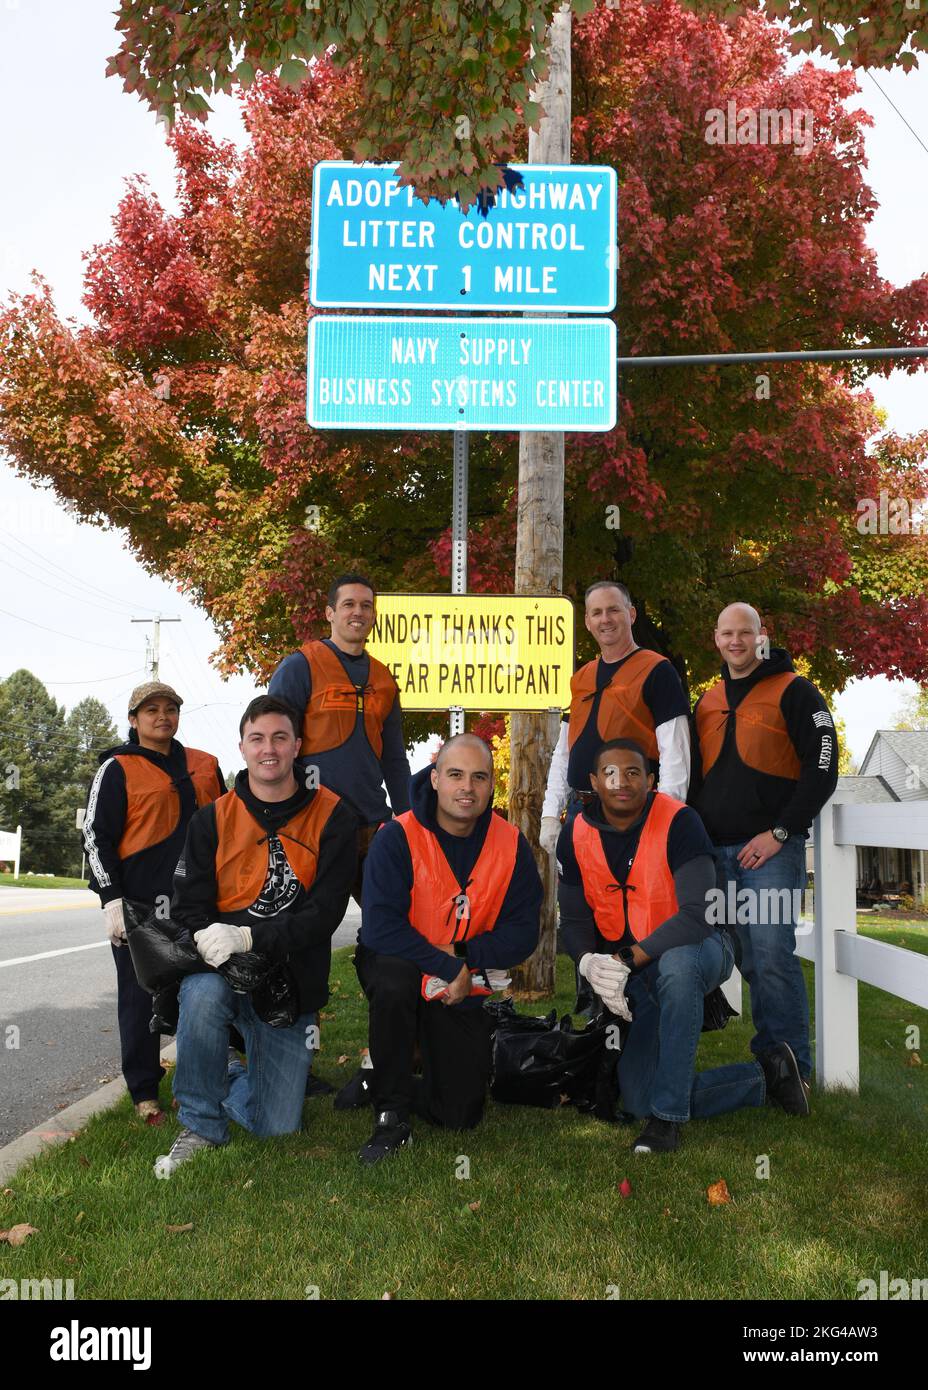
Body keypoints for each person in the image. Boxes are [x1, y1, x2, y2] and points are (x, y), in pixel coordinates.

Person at [557, 738, 809, 1153]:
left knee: (676, 967)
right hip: (636, 969)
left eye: (634, 772)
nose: (622, 782)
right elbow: (577, 920)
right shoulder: (575, 833)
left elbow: (697, 915)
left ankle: (666, 1123)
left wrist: (625, 959)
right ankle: (769, 1076)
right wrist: (588, 963)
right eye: (610, 773)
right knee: (637, 1099)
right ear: (593, 782)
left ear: (652, 781)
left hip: (702, 947)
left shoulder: (680, 820)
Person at [153, 696, 357, 1176]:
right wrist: (210, 937)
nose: (270, 749)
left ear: (298, 747)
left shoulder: (334, 816)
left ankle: (225, 1071)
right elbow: (188, 906)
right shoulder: (212, 819)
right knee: (200, 993)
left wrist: (249, 937)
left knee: (277, 1128)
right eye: (258, 739)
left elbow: (325, 913)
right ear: (242, 748)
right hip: (222, 974)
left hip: (288, 984)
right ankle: (201, 1123)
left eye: (280, 737)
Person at [355, 734, 543, 1164]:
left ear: (491, 786)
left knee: (460, 1113)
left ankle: (377, 1077)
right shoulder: (396, 836)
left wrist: (461, 955)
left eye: (479, 778)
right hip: (400, 966)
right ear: (435, 778)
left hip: (460, 979)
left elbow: (521, 934)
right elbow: (381, 928)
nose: (467, 788)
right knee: (393, 977)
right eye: (455, 775)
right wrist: (444, 962)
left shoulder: (510, 843)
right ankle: (391, 1114)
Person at [691, 602, 838, 1094]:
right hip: (717, 853)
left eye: (745, 633)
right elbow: (692, 781)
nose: (736, 641)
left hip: (771, 851)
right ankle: (772, 1064)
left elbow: (823, 766)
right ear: (716, 638)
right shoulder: (707, 702)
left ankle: (797, 1070)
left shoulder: (796, 691)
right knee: (749, 959)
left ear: (762, 635)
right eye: (727, 633)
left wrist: (779, 833)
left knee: (773, 952)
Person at [83, 682, 225, 1124]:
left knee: (198, 996)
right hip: (139, 907)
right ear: (133, 719)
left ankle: (196, 1084)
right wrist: (112, 899)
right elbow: (95, 835)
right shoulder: (117, 768)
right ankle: (145, 1092)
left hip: (198, 905)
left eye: (170, 709)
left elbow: (227, 828)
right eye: (151, 711)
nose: (162, 717)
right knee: (139, 1001)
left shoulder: (206, 765)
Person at [268, 573, 411, 902]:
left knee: (391, 928)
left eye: (366, 606)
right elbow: (273, 745)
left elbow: (394, 758)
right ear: (330, 613)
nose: (357, 612)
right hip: (311, 824)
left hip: (371, 826)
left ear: (374, 616)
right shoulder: (299, 666)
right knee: (305, 934)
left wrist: (407, 819)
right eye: (348, 604)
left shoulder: (384, 679)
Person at [540, 582, 691, 850]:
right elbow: (564, 752)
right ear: (587, 621)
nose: (605, 619)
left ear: (631, 614)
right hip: (581, 813)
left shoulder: (657, 670)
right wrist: (551, 814)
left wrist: (666, 821)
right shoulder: (581, 677)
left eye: (613, 610)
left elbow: (675, 753)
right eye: (596, 613)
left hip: (633, 814)